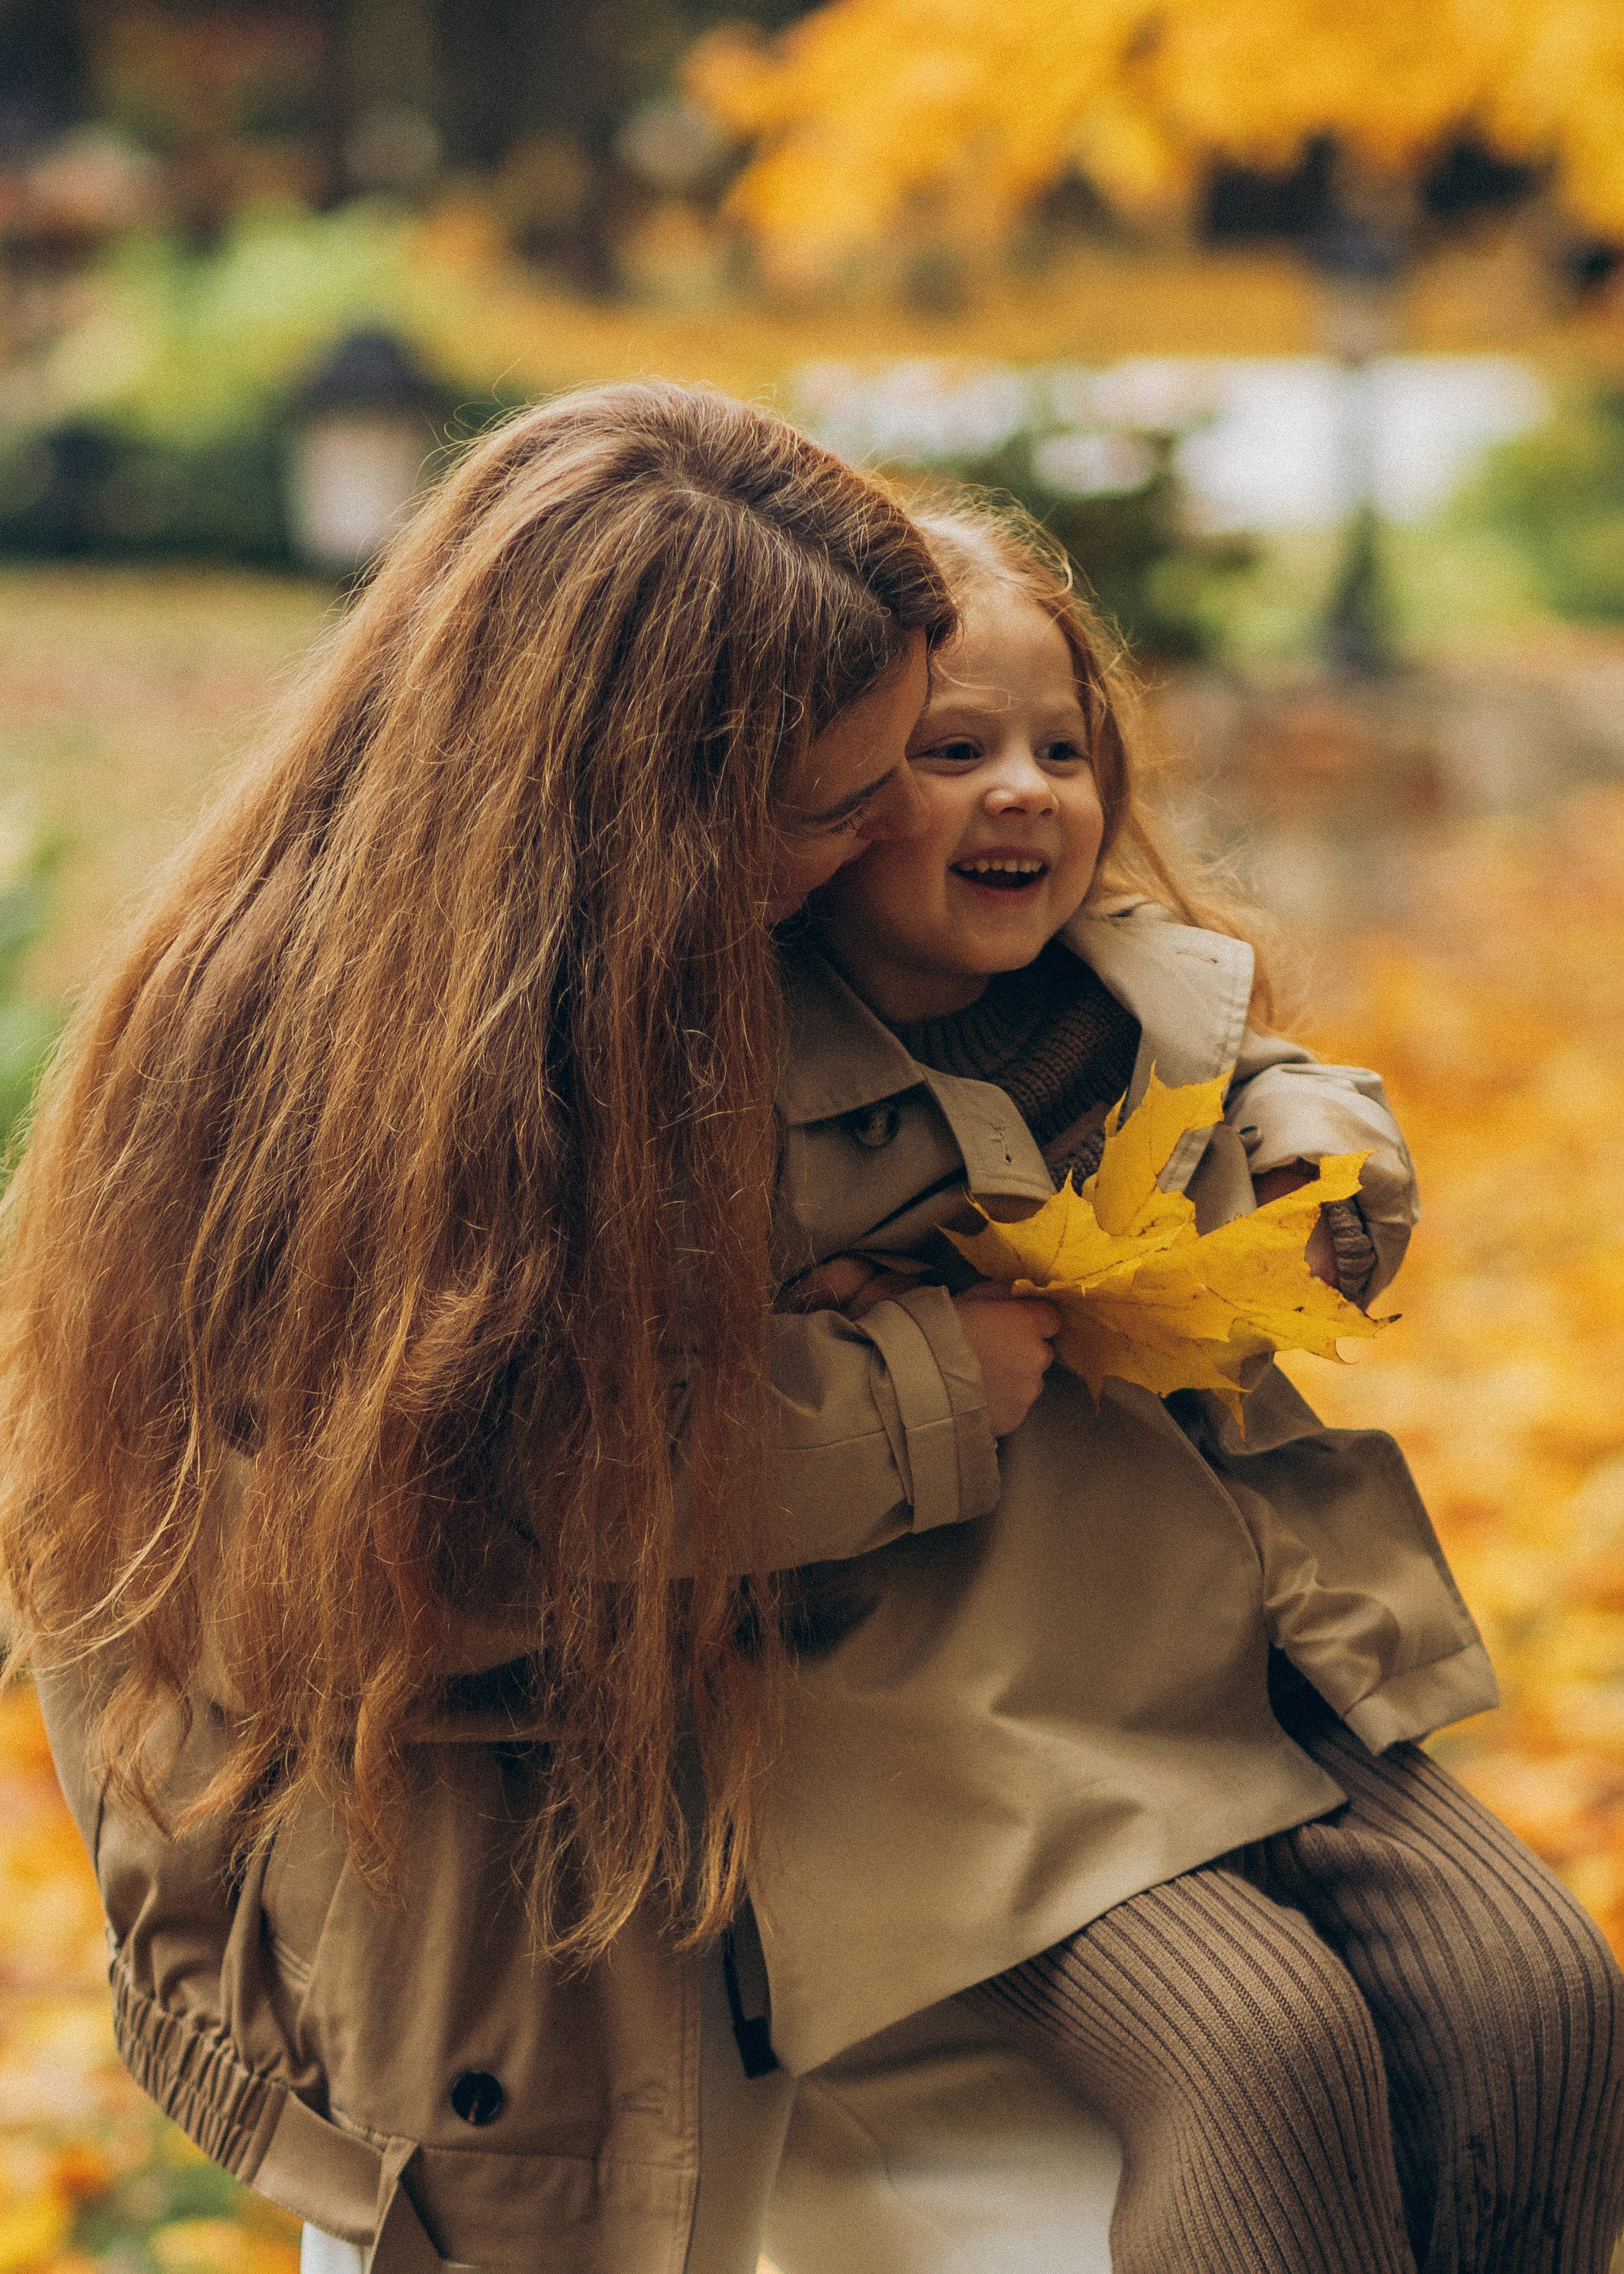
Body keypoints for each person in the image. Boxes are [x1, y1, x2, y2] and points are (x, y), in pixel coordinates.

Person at [0, 381, 1036, 2273]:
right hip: (484, 1980)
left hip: (647, 1884)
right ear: (650, 802)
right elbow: (373, 1548)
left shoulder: (595, 955)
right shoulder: (306, 1060)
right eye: (830, 806)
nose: (882, 836)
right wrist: (903, 1401)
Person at [753, 500, 1624, 2274]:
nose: (1025, 791)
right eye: (953, 751)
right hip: (940, 1717)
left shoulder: (1132, 995)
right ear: (825, 798)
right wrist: (916, 1362)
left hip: (1228, 1660)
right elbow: (651, 1417)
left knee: (1537, 1992)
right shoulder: (737, 1064)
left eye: (1060, 751)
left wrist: (1318, 1151)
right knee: (1259, 2048)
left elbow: (1289, 1082)